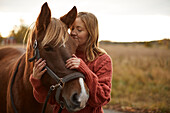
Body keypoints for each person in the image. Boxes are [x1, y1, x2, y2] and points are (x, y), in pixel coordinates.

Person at [30, 12, 113, 113]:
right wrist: (36, 80)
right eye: (72, 29)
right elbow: (47, 99)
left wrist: (85, 70)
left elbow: (102, 97)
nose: (73, 32)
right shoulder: (64, 55)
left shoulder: (102, 60)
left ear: (91, 33)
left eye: (79, 29)